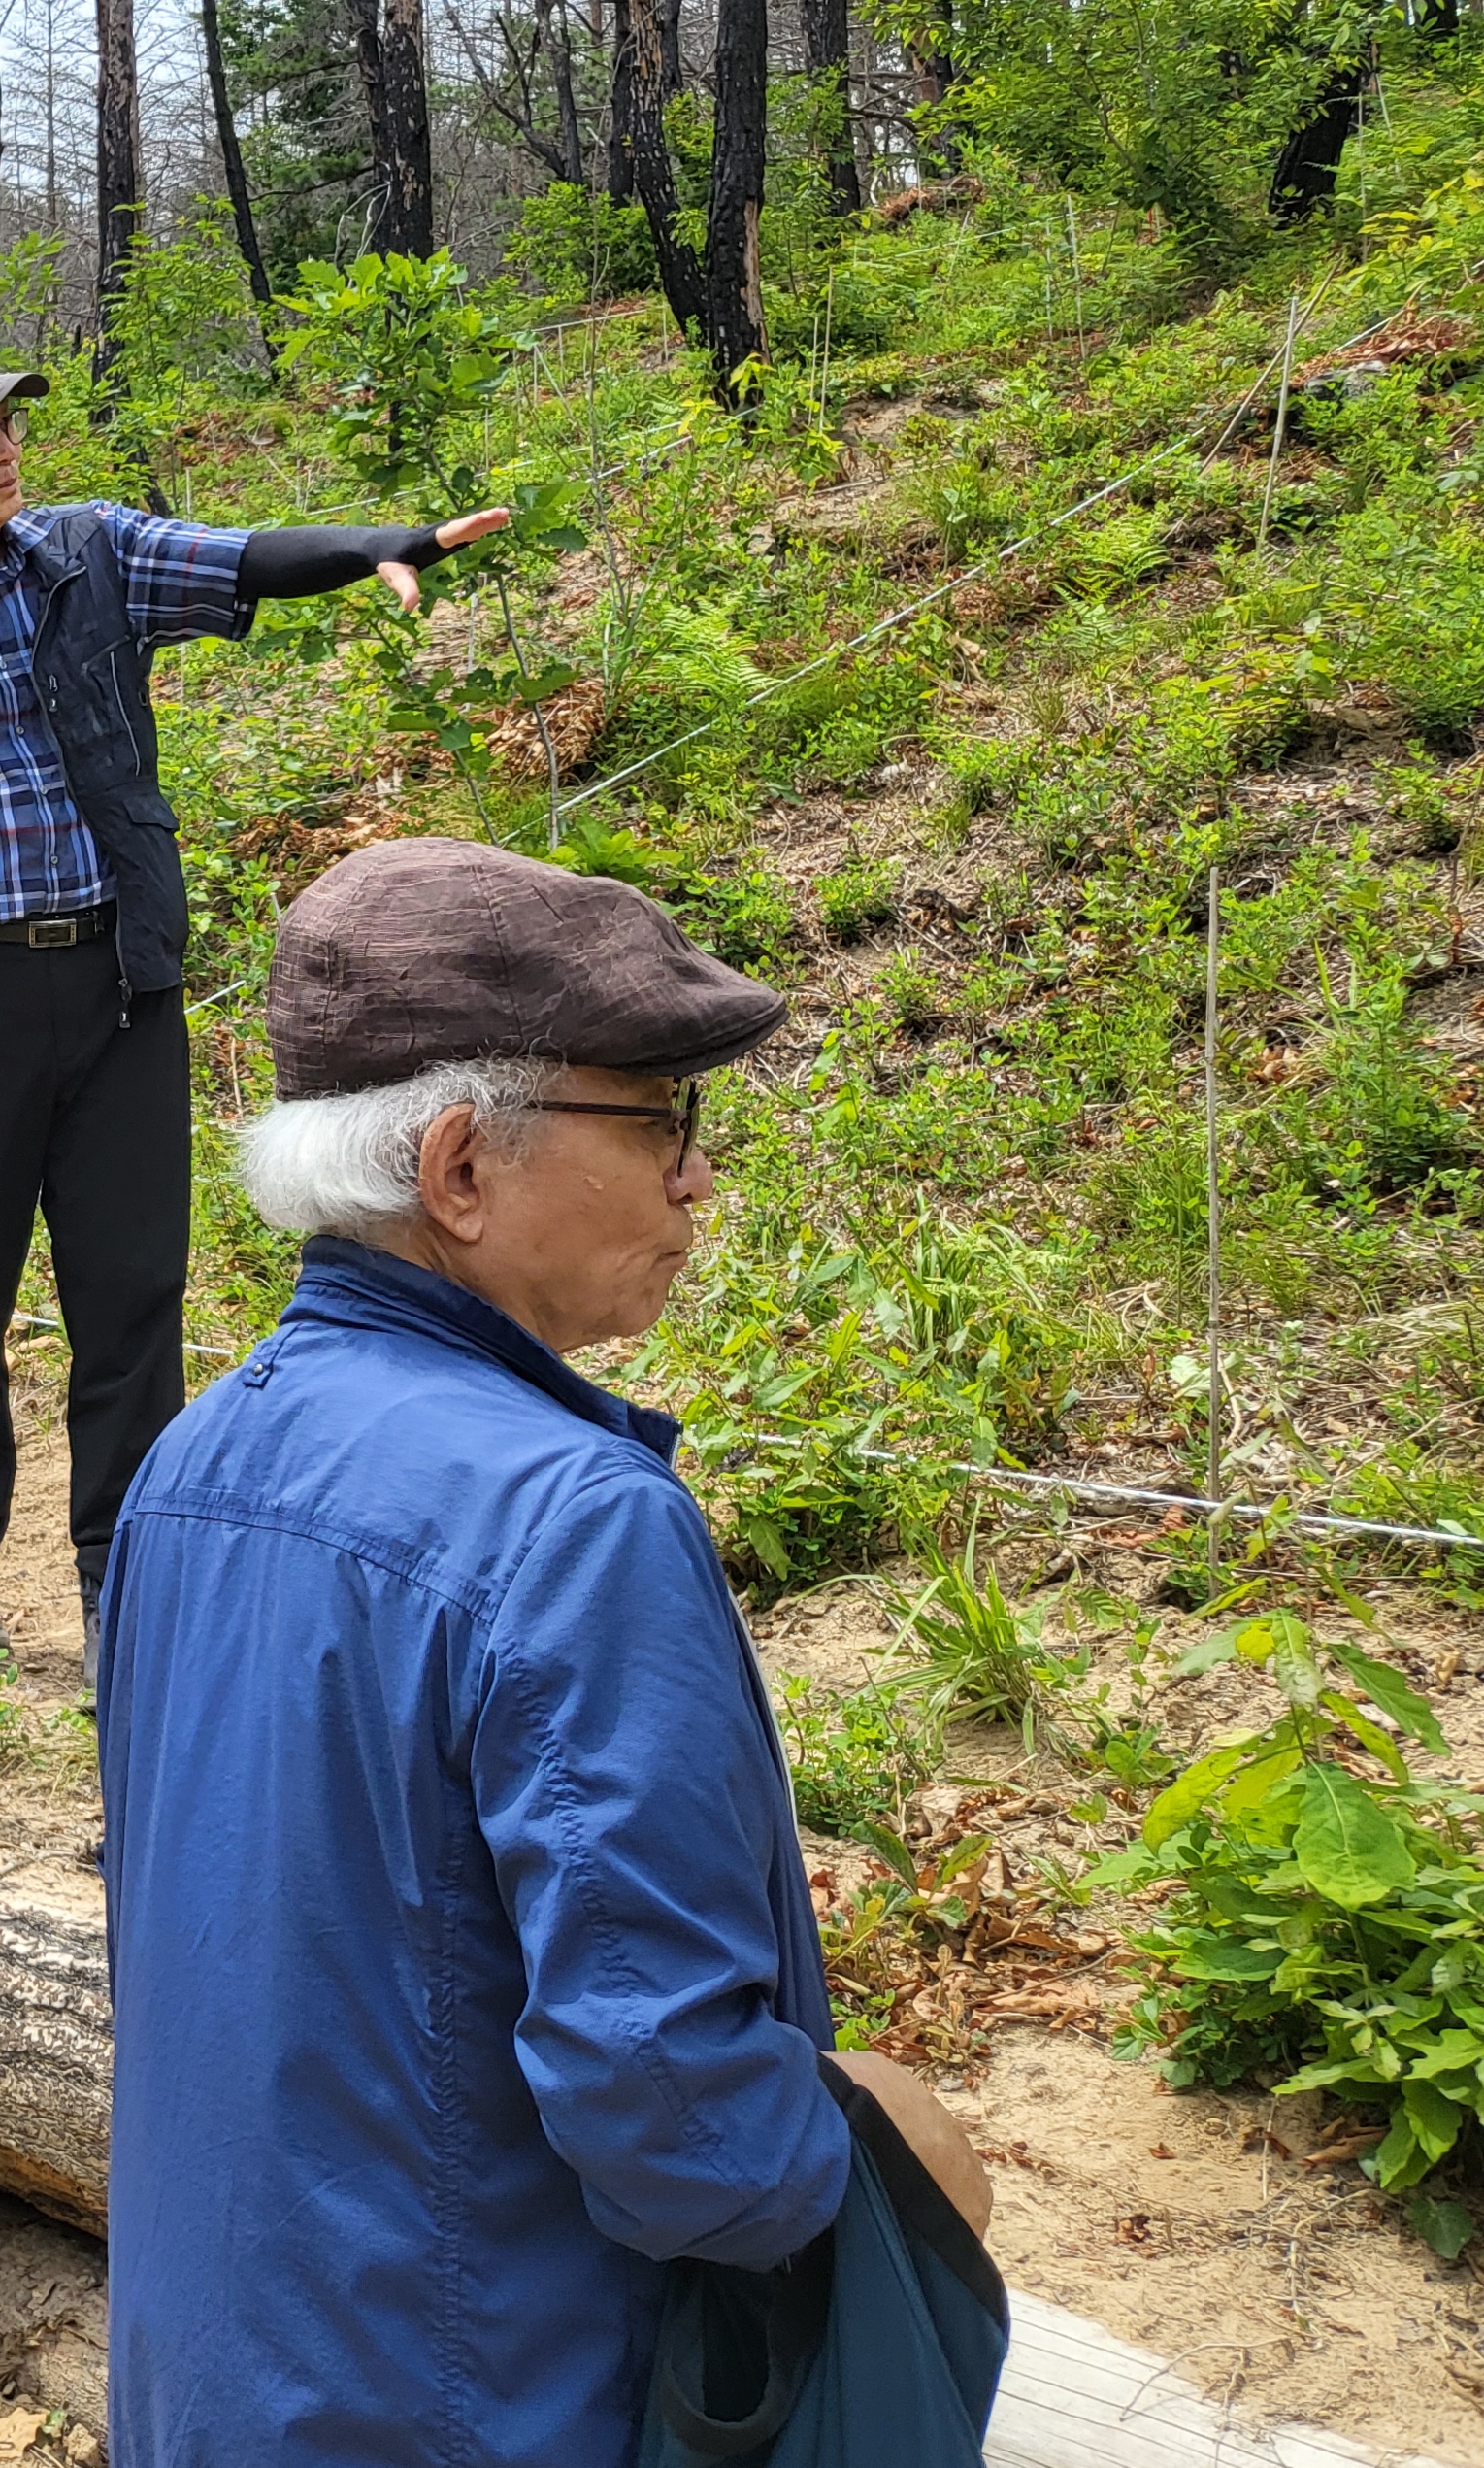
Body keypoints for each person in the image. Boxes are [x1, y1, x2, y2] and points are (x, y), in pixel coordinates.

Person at [96, 839, 994, 2465]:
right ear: (458, 1166)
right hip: (487, 2407)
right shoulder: (570, 1522)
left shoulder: (191, 1465)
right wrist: (875, 2143)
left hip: (218, 2391)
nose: (695, 1179)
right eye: (660, 1120)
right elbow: (685, 2136)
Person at [0, 328, 510, 1645]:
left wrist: (390, 542)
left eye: (8, 427)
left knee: (129, 1298)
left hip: (115, 994)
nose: (5, 451)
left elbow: (243, 556)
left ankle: (130, 1590)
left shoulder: (88, 556)